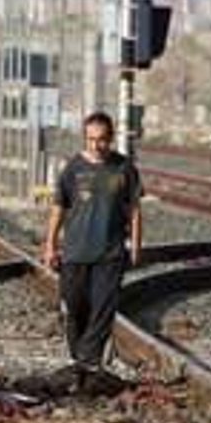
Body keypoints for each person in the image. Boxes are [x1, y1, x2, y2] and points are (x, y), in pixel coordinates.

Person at [42, 111, 143, 371]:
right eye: (91, 140)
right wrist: (50, 245)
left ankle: (89, 359)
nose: (96, 145)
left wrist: (135, 245)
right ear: (84, 139)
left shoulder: (124, 168)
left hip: (110, 253)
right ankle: (79, 355)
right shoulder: (73, 169)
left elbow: (133, 210)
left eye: (102, 140)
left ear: (110, 138)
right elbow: (58, 208)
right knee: (74, 306)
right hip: (75, 252)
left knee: (103, 309)